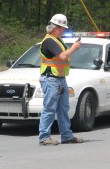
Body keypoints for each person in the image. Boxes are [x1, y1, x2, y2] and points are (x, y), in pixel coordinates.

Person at [38, 14, 83, 146]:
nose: (64, 30)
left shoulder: (58, 40)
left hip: (59, 78)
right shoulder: (49, 41)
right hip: (51, 79)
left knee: (63, 108)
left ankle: (67, 136)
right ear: (55, 28)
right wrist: (73, 49)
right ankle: (44, 137)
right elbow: (63, 56)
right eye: (62, 28)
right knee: (49, 108)